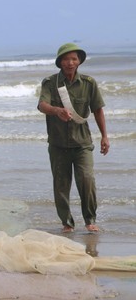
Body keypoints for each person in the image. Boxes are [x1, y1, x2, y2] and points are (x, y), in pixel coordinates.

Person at [38, 43, 110, 233]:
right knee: (61, 185)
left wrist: (104, 136)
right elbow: (42, 105)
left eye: (74, 59)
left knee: (87, 180)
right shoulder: (50, 83)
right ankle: (67, 223)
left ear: (79, 62)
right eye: (66, 59)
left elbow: (98, 110)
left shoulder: (89, 83)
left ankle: (90, 220)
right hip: (58, 144)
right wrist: (56, 110)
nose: (70, 63)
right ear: (60, 62)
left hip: (82, 144)